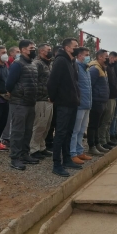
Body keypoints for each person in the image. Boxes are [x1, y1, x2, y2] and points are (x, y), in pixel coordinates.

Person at [47, 38, 82, 177]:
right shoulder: (60, 60)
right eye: (75, 46)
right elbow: (52, 82)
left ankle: (67, 159)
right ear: (67, 48)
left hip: (73, 102)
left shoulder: (72, 61)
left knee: (69, 132)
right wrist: (54, 98)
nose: (77, 48)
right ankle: (57, 164)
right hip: (63, 103)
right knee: (60, 133)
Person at [6, 40, 39, 170]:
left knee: (28, 131)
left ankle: (25, 154)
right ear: (24, 50)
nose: (33, 50)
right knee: (17, 132)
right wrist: (20, 93)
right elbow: (9, 84)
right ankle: (15, 158)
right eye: (32, 48)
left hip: (30, 103)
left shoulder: (32, 64)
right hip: (19, 103)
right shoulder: (17, 65)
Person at [29, 43, 53, 159]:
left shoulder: (48, 64)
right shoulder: (37, 64)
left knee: (46, 126)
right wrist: (40, 95)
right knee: (39, 125)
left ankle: (41, 146)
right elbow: (34, 82)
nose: (50, 51)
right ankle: (33, 149)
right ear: (41, 51)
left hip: (49, 100)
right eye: (48, 50)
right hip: (40, 99)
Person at [70, 47, 93, 164]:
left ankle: (80, 151)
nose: (88, 57)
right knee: (75, 130)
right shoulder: (76, 67)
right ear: (79, 56)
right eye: (86, 54)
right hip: (79, 105)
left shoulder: (86, 69)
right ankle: (72, 153)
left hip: (86, 104)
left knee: (81, 130)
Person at [87, 49, 110, 155]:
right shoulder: (94, 69)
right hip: (96, 101)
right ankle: (91, 146)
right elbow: (89, 85)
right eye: (106, 56)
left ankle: (97, 144)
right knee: (93, 125)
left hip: (103, 101)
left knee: (98, 124)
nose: (108, 58)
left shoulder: (103, 68)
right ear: (100, 57)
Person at [98, 51, 117, 150]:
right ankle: (102, 140)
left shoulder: (111, 68)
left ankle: (107, 139)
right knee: (106, 120)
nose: (115, 61)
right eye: (107, 57)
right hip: (108, 97)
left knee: (110, 120)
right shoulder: (105, 68)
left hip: (113, 97)